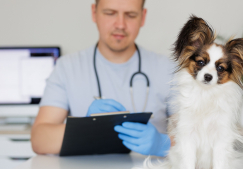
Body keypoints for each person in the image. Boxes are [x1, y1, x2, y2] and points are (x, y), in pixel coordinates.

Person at [31, 0, 175, 157]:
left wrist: (164, 145)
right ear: (94, 13)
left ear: (143, 17)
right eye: (110, 13)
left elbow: (198, 140)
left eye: (131, 15)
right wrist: (84, 129)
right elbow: (39, 140)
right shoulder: (67, 67)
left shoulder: (168, 70)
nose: (120, 24)